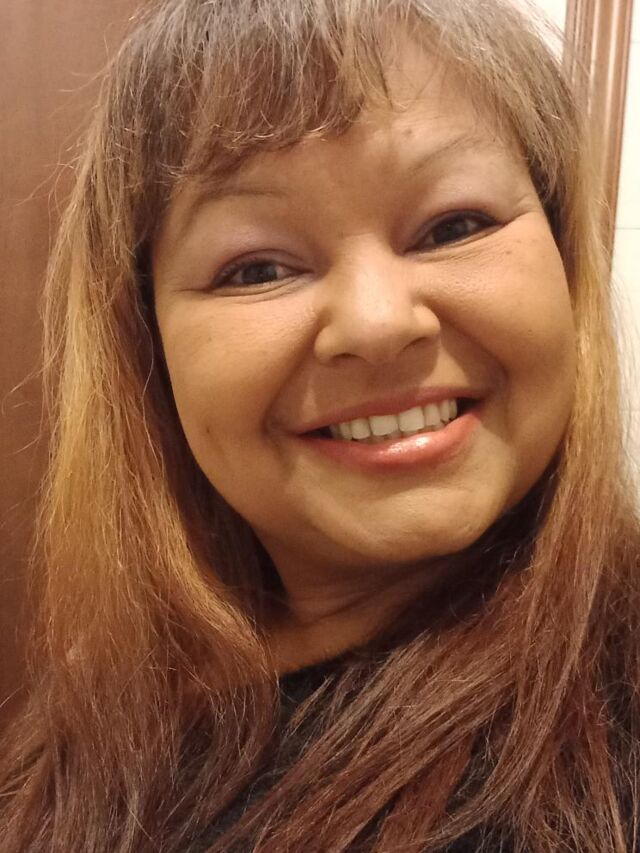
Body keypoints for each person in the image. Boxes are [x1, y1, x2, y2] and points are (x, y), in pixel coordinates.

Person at [1, 0, 639, 850]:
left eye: (454, 225)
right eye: (256, 267)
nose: (377, 323)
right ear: (148, 343)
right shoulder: (103, 707)